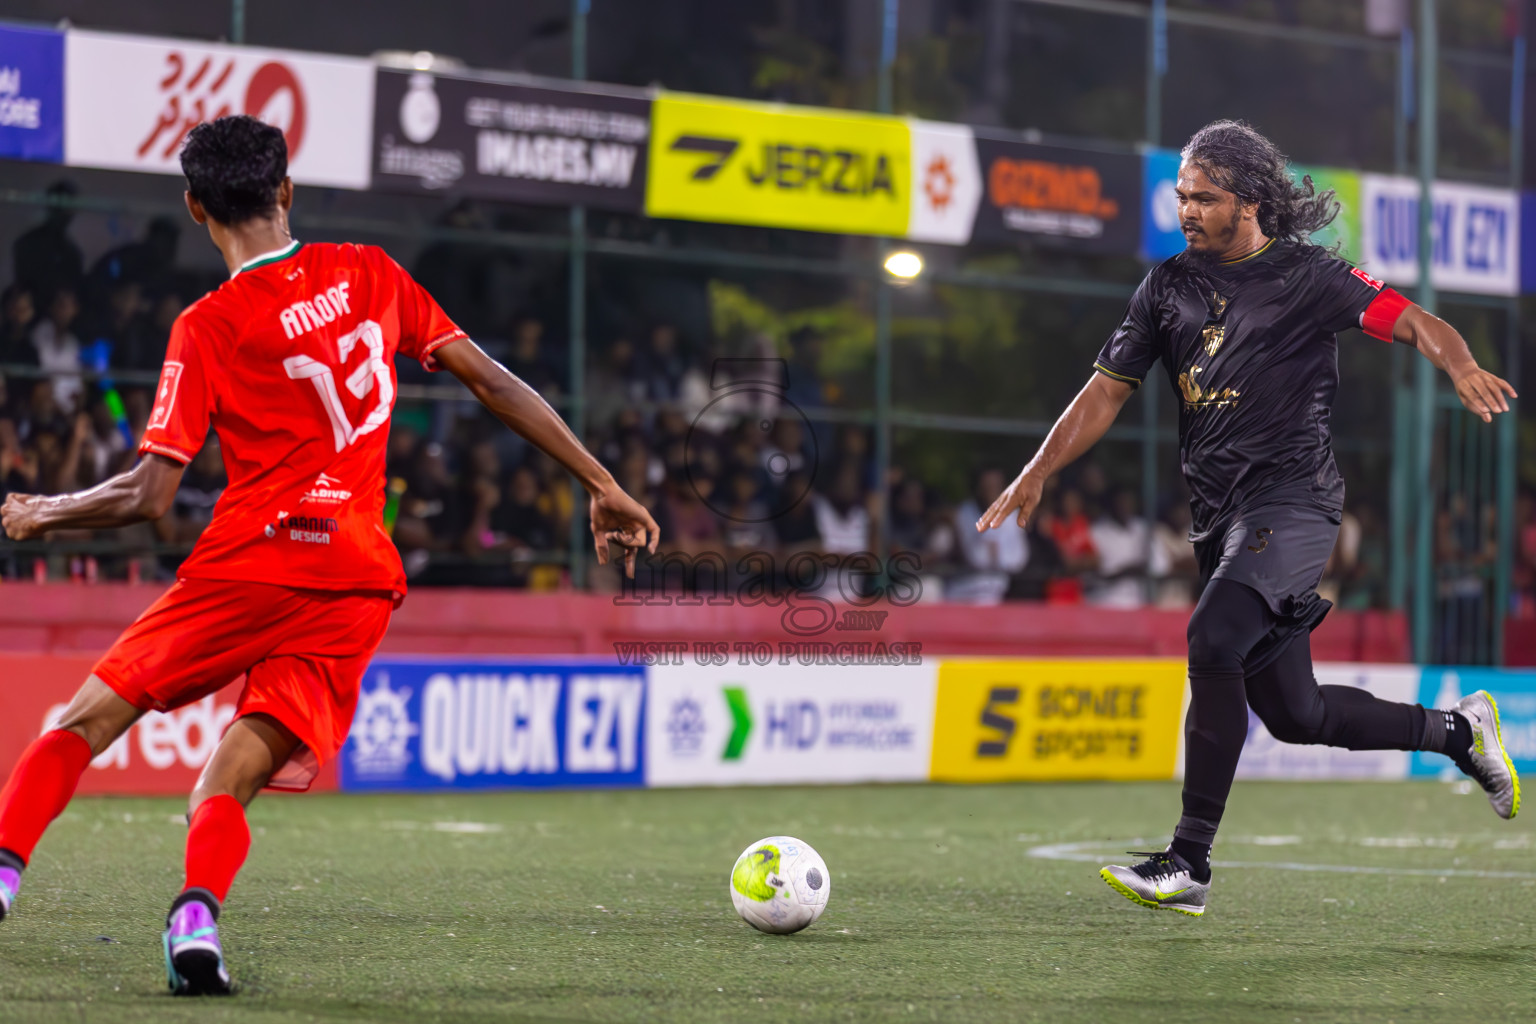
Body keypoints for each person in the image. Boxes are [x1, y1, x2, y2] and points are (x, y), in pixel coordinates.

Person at [0, 115, 658, 994]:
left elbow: (148, 496)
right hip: (353, 580)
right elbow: (492, 381)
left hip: (251, 564)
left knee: (80, 725)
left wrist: (46, 513)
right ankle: (195, 919)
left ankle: (3, 874)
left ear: (195, 208)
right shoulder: (372, 274)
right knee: (225, 783)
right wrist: (599, 480)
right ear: (287, 191)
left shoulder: (210, 324)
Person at [974, 119, 1520, 917]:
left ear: (1252, 201)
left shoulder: (1311, 277)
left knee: (1211, 638)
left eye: (1205, 197)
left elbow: (1413, 322)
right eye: (1181, 195)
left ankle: (1187, 861)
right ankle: (1459, 734)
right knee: (1297, 715)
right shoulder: (1166, 287)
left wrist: (1461, 363)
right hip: (1219, 518)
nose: (1187, 210)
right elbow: (1104, 393)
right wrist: (1037, 471)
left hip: (1294, 501)